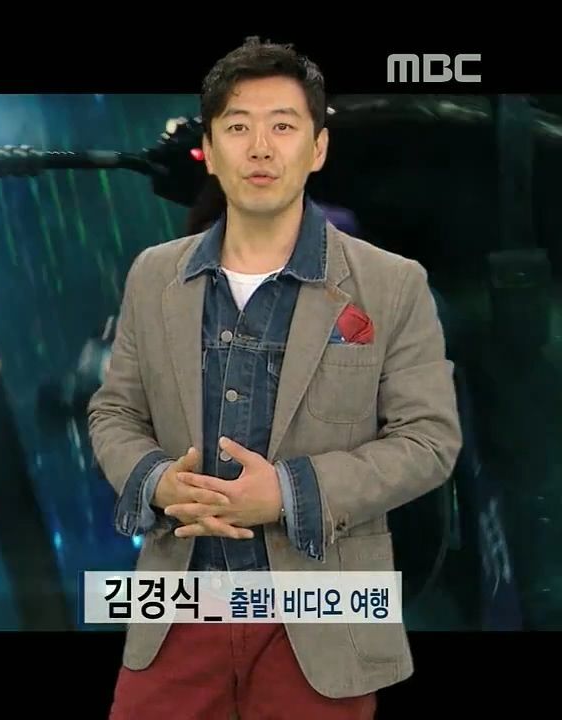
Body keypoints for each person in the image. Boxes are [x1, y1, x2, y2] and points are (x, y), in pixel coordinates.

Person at [87, 38, 462, 718]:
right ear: (209, 148)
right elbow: (114, 412)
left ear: (318, 147)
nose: (260, 148)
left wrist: (289, 493)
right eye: (238, 127)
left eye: (282, 127)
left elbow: (430, 440)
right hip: (179, 608)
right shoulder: (153, 275)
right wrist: (156, 481)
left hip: (327, 613)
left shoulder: (392, 283)